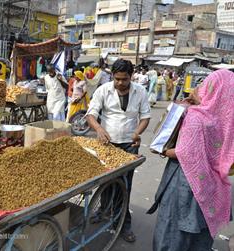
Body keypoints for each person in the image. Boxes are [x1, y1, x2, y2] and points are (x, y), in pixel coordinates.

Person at [149, 69, 234, 251]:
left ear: (214, 89)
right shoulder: (228, 119)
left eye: (205, 84)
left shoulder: (196, 117)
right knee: (199, 237)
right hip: (212, 187)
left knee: (172, 233)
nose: (199, 87)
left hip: (185, 183)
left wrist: (163, 150)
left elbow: (182, 153)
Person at [86, 59, 151, 242]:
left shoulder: (140, 91)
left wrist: (137, 133)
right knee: (105, 180)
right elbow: (91, 114)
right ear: (113, 76)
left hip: (129, 144)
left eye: (124, 79)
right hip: (107, 144)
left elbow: (145, 117)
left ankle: (123, 223)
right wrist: (98, 129)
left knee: (125, 184)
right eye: (117, 79)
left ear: (131, 76)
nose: (120, 83)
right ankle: (103, 210)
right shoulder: (103, 90)